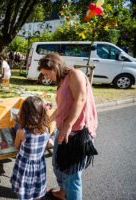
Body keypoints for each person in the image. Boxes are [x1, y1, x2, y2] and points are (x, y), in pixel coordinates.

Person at [37, 53, 98, 200]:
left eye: (47, 73)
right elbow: (62, 107)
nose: (47, 77)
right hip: (63, 130)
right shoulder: (62, 81)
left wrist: (68, 125)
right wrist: (47, 120)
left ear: (55, 66)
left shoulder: (74, 74)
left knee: (72, 175)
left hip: (77, 133)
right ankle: (63, 193)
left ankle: (71, 195)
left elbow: (81, 99)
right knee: (58, 165)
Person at [10, 96, 50, 200]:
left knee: (24, 188)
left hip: (24, 166)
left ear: (24, 115)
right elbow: (45, 146)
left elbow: (16, 146)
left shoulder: (22, 132)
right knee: (36, 187)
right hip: (39, 165)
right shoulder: (46, 129)